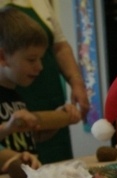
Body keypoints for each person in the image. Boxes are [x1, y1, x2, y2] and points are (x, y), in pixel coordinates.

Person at [0, 0, 90, 163]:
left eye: (41, 59)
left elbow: (33, 137)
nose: (40, 67)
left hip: (27, 175)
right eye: (31, 59)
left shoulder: (17, 96)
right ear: (2, 57)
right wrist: (8, 128)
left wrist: (59, 118)